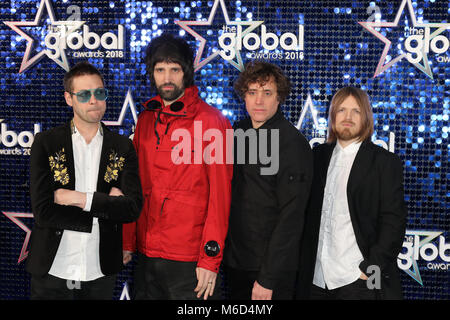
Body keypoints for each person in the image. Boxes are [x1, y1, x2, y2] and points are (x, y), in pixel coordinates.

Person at [122, 33, 233, 300]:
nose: (167, 78)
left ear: (187, 72)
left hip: (189, 262)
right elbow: (132, 186)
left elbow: (221, 198)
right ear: (152, 73)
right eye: (160, 70)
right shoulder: (146, 120)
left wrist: (210, 258)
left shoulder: (213, 122)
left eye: (174, 69)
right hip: (147, 256)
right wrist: (127, 241)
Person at [27, 62, 143, 300]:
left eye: (100, 93)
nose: (94, 100)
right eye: (84, 94)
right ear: (69, 98)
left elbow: (132, 208)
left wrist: (79, 199)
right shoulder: (46, 143)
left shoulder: (123, 147)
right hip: (52, 268)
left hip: (100, 270)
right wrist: (105, 208)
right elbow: (43, 212)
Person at [296, 86, 407, 300]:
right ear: (332, 116)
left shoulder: (384, 162)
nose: (348, 117)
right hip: (316, 280)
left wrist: (369, 270)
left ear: (366, 117)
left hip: (358, 280)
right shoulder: (317, 156)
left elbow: (394, 221)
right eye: (341, 110)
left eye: (356, 111)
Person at [223, 61, 313, 300]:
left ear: (279, 97)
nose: (259, 101)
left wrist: (268, 278)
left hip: (270, 272)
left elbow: (291, 217)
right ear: (244, 96)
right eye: (252, 92)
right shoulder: (237, 132)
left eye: (267, 93)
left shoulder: (293, 143)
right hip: (234, 264)